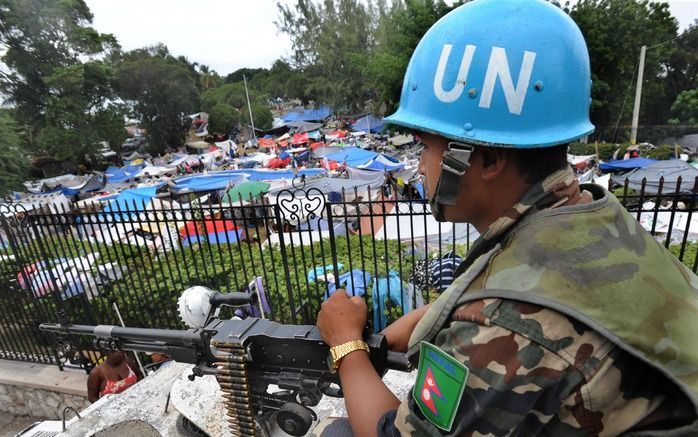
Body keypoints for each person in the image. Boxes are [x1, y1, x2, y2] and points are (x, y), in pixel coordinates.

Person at [315, 0, 698, 436]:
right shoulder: (591, 215)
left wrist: (347, 345)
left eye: (426, 147)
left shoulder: (502, 323)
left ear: (488, 159)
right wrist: (442, 313)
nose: (420, 167)